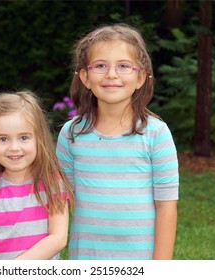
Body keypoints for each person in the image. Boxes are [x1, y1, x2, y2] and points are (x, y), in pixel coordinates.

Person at [56, 24, 179, 260]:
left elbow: (166, 206)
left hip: (140, 259)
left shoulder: (156, 134)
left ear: (140, 77)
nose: (112, 74)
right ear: (85, 77)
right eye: (100, 66)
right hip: (86, 258)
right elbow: (63, 201)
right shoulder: (70, 134)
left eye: (123, 66)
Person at [0, 91, 74, 260]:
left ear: (38, 139)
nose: (14, 147)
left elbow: (58, 238)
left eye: (24, 137)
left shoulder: (53, 184)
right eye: (3, 139)